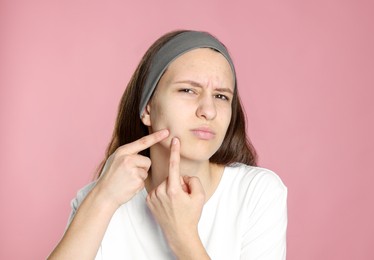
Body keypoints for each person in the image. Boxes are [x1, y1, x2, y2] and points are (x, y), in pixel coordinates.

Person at [48, 30, 287, 260]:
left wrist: (183, 236)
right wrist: (103, 199)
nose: (208, 111)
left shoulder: (257, 193)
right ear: (147, 109)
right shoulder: (98, 198)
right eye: (188, 90)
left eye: (221, 96)